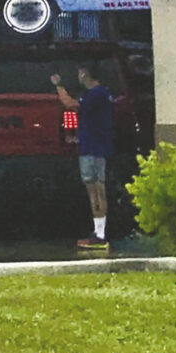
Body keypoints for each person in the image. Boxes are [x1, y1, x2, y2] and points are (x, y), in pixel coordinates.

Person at [51, 63, 114, 250]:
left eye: (80, 72)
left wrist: (58, 85)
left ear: (86, 74)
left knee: (95, 190)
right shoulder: (102, 94)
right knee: (97, 189)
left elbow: (70, 104)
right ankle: (98, 232)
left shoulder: (95, 94)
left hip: (92, 149)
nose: (79, 75)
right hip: (98, 146)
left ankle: (100, 235)